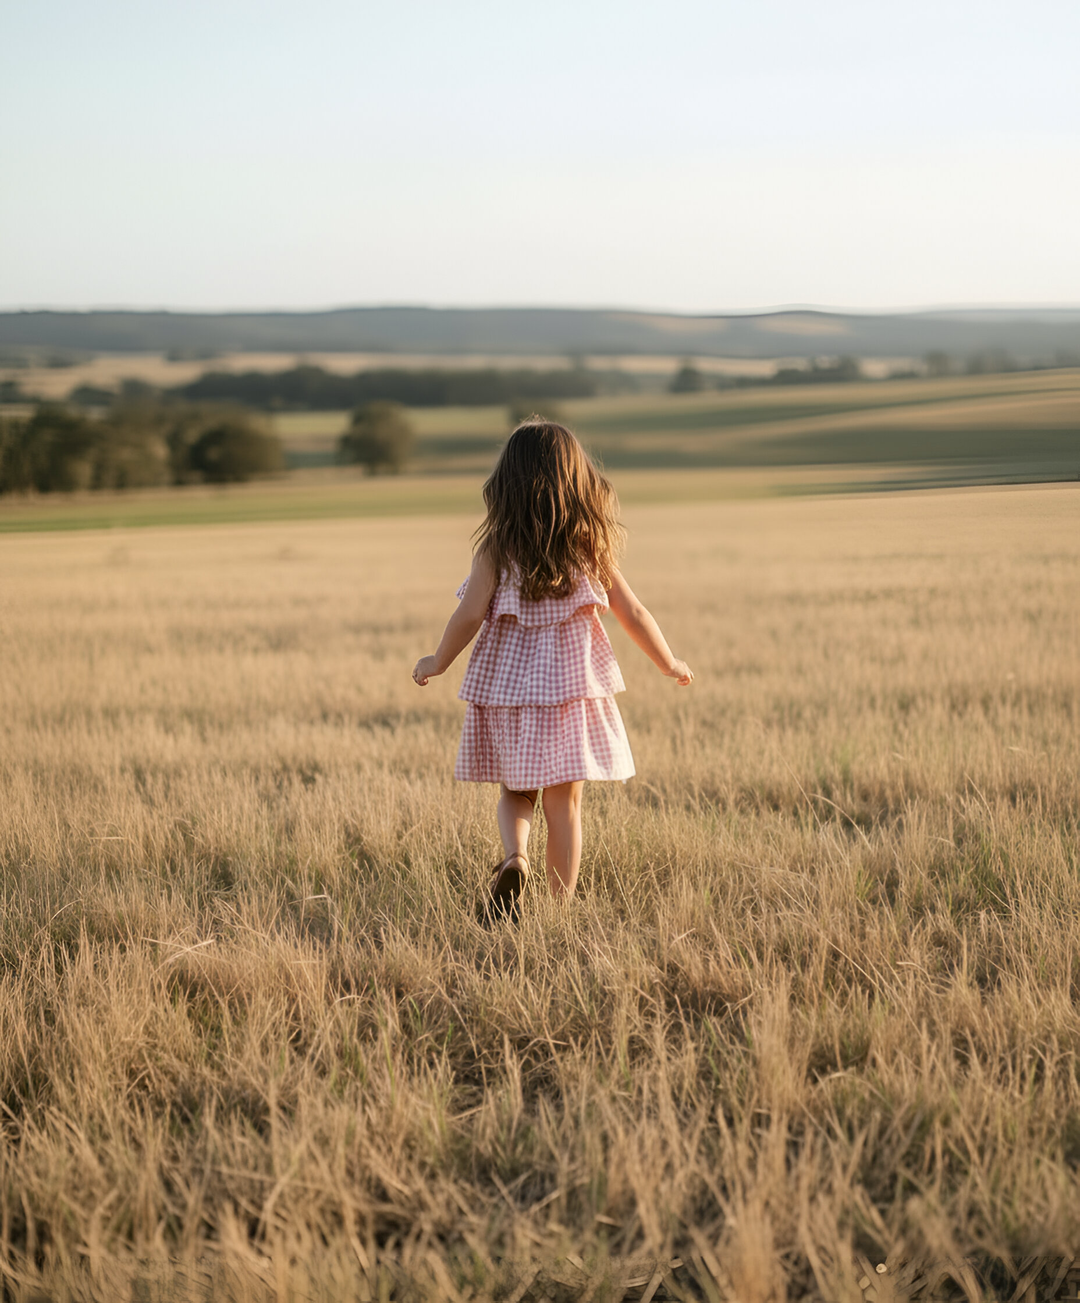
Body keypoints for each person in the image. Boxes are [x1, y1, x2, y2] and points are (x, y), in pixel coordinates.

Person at [412, 419, 693, 920]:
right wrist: (668, 661)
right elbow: (633, 612)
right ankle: (559, 909)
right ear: (577, 482)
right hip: (569, 695)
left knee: (516, 791)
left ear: (507, 484)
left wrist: (437, 660)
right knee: (565, 805)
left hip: (508, 696)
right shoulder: (588, 548)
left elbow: (469, 615)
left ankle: (516, 857)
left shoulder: (496, 550)